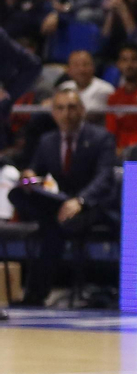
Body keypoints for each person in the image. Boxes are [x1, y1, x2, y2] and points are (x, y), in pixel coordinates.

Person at [8, 87, 118, 307]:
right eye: (60, 108)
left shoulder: (101, 138)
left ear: (82, 110)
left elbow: (105, 177)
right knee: (19, 194)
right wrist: (30, 177)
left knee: (53, 229)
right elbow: (36, 170)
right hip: (60, 204)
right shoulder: (48, 140)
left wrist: (80, 201)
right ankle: (36, 295)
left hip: (91, 207)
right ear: (53, 112)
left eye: (71, 107)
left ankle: (37, 295)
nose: (66, 113)